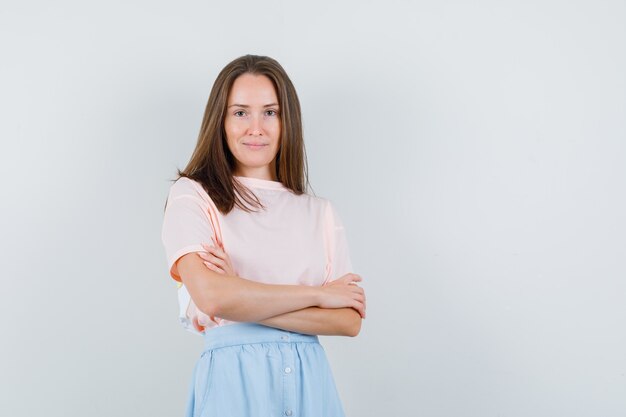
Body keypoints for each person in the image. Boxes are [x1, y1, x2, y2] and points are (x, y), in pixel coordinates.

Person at [161, 54, 366, 417]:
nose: (256, 127)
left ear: (287, 121)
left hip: (311, 383)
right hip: (234, 382)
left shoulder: (319, 213)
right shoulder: (192, 195)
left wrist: (240, 294)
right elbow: (211, 297)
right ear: (220, 122)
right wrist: (318, 296)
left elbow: (348, 320)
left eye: (270, 112)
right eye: (240, 112)